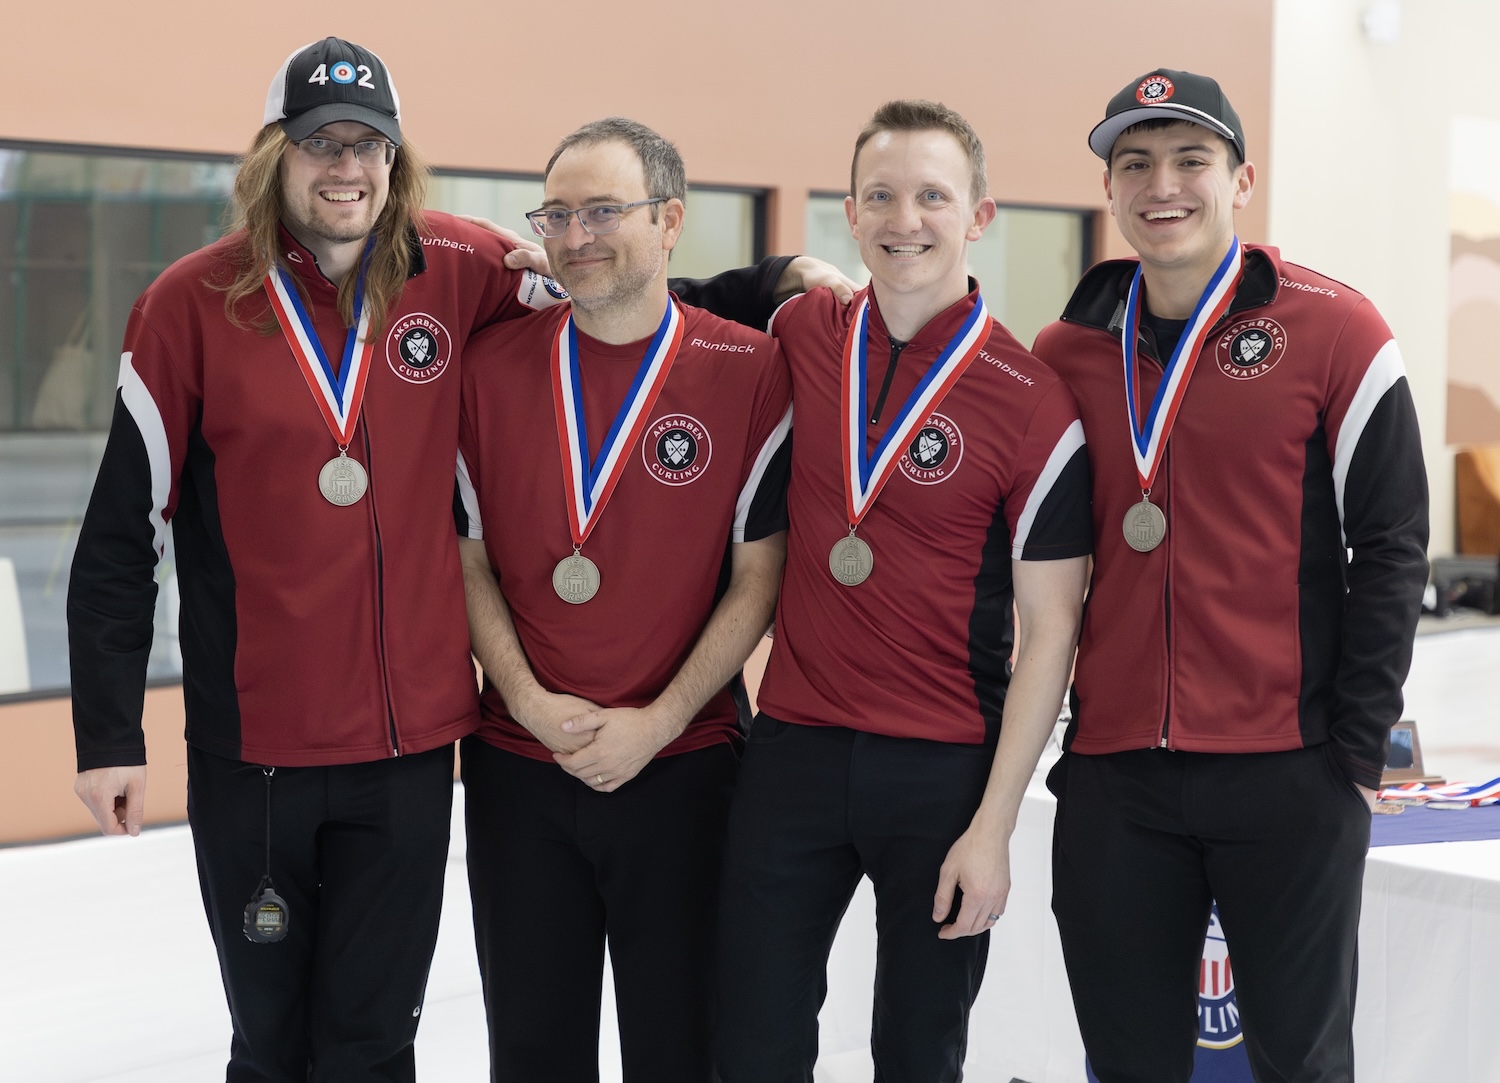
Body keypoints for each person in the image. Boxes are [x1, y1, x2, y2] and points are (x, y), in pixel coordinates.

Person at [64, 39, 818, 1081]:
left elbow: (616, 296)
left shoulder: (457, 270)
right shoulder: (190, 306)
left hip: (409, 752)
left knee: (376, 1043)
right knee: (271, 1043)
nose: (348, 167)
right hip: (256, 753)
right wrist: (107, 732)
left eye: (370, 144)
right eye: (322, 142)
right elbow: (117, 538)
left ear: (396, 160)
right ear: (275, 157)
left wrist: (767, 283)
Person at [1031, 68, 1429, 1082]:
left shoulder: (1338, 329)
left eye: (1190, 159)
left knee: (1300, 1061)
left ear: (1241, 178)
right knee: (1128, 1063)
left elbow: (1390, 542)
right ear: (1110, 191)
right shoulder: (1069, 348)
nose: (1163, 184)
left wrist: (1350, 750)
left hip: (1288, 768)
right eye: (1136, 164)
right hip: (1117, 775)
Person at [713, 100, 1093, 1082]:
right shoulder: (803, 331)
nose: (905, 219)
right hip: (791, 750)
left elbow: (1051, 630)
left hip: (941, 772)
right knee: (750, 1037)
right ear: (849, 212)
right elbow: (672, 308)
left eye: (932, 196)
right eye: (880, 195)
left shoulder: (1030, 396)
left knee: (919, 1050)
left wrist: (995, 828)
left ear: (980, 215)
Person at [453, 117, 791, 1083]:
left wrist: (659, 720)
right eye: (555, 214)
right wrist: (522, 697)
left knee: (681, 1050)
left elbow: (758, 576)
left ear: (670, 219)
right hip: (521, 764)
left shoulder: (750, 370)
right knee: (530, 1052)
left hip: (684, 767)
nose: (574, 236)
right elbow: (467, 557)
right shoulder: (490, 366)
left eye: (603, 210)